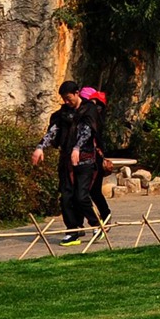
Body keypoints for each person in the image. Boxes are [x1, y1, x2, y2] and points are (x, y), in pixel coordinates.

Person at [31, 81, 100, 246]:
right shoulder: (62, 113)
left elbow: (86, 131)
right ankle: (72, 230)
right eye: (64, 99)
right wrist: (40, 147)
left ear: (77, 93)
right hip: (66, 160)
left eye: (69, 98)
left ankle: (96, 224)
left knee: (81, 196)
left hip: (85, 159)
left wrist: (77, 148)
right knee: (66, 196)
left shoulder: (89, 109)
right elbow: (53, 131)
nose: (67, 102)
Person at [79, 86, 111, 225]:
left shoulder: (93, 115)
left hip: (93, 158)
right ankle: (78, 225)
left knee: (92, 191)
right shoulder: (92, 113)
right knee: (81, 192)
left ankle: (105, 215)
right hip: (82, 157)